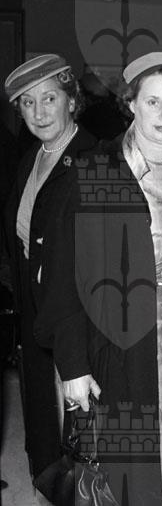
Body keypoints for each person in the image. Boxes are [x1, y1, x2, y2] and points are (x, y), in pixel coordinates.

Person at [35, 52, 162, 505]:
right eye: (153, 102)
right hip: (118, 339)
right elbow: (63, 274)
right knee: (127, 466)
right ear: (131, 103)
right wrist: (73, 367)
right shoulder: (100, 171)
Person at [2, 54, 97, 483]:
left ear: (71, 100)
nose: (39, 112)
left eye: (49, 98)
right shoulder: (32, 159)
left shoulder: (95, 160)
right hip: (36, 320)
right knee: (47, 440)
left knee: (81, 448)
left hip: (76, 325)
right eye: (28, 103)